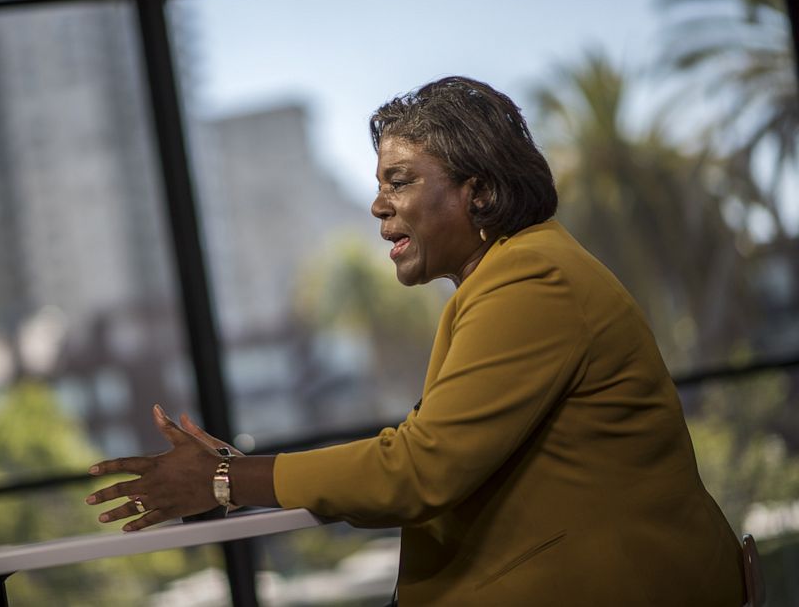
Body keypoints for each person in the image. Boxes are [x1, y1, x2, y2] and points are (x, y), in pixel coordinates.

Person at [87, 76, 745, 605]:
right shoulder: (506, 279)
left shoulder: (533, 279)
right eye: (378, 185)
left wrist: (227, 479)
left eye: (399, 180)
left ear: (478, 191)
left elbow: (418, 471)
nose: (378, 205)